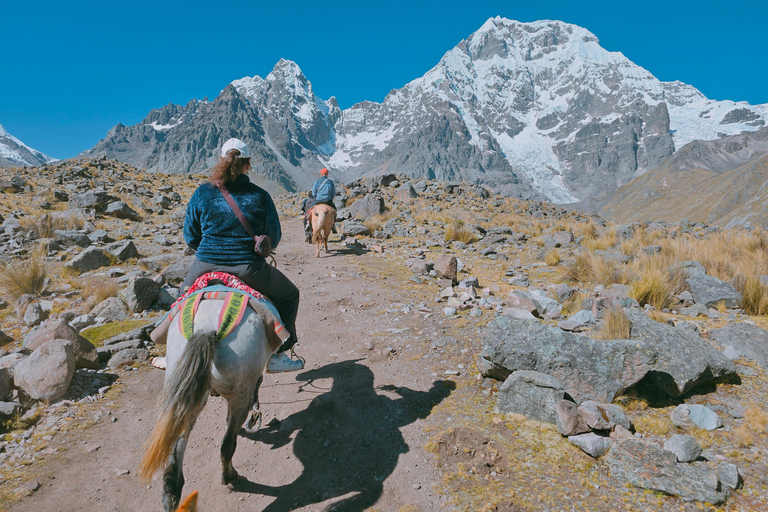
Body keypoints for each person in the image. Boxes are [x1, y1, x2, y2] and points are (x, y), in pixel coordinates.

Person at [181, 138, 304, 373]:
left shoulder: (202, 193)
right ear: (248, 165)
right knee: (289, 295)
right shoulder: (260, 195)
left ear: (221, 160)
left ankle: (171, 353)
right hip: (249, 268)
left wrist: (211, 250)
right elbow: (273, 237)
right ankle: (278, 355)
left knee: (181, 299)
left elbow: (190, 236)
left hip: (205, 265)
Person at [303, 167, 337, 242]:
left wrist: (316, 198)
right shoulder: (331, 182)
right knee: (335, 211)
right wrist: (330, 199)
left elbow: (314, 192)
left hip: (318, 200)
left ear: (321, 174)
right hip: (328, 201)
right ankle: (333, 224)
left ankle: (308, 223)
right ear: (327, 174)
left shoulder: (317, 181)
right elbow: (333, 193)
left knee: (309, 210)